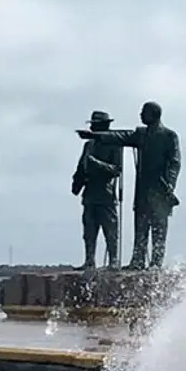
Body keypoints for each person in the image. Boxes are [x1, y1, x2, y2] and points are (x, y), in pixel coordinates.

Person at [76, 101, 180, 270]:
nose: (140, 115)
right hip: (143, 190)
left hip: (161, 190)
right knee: (141, 227)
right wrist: (95, 136)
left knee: (159, 230)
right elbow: (121, 136)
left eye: (143, 112)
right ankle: (137, 261)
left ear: (154, 115)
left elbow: (175, 163)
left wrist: (170, 184)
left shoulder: (169, 136)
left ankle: (155, 263)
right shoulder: (140, 134)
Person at [71, 110, 124, 270]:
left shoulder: (114, 145)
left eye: (96, 125)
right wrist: (76, 183)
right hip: (90, 194)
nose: (93, 128)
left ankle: (113, 261)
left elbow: (116, 169)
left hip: (106, 194)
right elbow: (81, 167)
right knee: (89, 231)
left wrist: (96, 163)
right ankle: (89, 260)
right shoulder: (89, 145)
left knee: (110, 230)